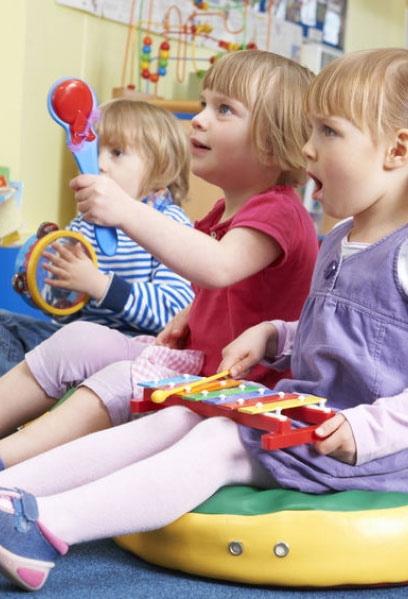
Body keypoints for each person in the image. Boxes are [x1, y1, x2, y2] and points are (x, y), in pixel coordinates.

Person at [0, 47, 408, 593]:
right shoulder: (340, 239)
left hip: (379, 449)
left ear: (397, 150)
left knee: (218, 442)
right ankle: (12, 491)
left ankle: (47, 528)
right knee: (178, 419)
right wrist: (277, 335)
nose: (307, 148)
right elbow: (351, 333)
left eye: (328, 132)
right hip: (313, 414)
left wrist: (367, 430)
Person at [0, 50, 319, 470]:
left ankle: (8, 461)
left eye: (224, 109)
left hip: (239, 390)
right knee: (79, 339)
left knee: (122, 380)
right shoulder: (223, 212)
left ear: (274, 145)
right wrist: (190, 313)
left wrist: (125, 210)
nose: (199, 119)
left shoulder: (280, 210)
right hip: (195, 365)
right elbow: (230, 288)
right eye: (203, 104)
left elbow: (219, 266)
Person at [0, 99, 195, 376]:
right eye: (94, 151)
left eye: (116, 153)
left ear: (161, 167)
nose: (98, 164)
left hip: (133, 350)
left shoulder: (170, 224)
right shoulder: (84, 222)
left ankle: (36, 388)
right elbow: (63, 311)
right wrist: (52, 287)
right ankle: (24, 392)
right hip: (73, 341)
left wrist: (100, 285)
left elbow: (173, 313)